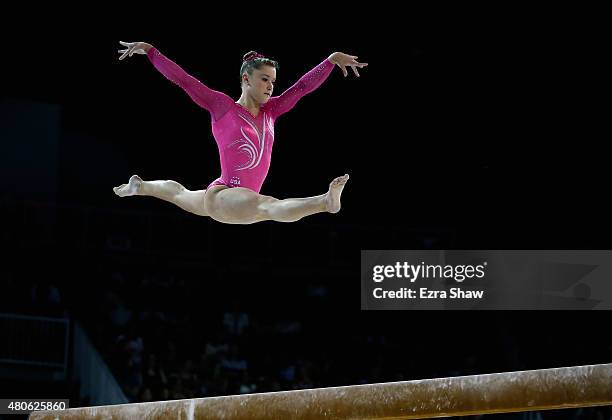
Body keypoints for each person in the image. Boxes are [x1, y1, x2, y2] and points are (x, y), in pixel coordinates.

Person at [114, 41, 367, 224]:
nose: (270, 86)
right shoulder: (222, 107)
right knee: (268, 206)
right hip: (224, 195)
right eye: (264, 79)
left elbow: (301, 87)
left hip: (234, 199)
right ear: (246, 79)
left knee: (178, 192)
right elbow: (184, 80)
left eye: (273, 81)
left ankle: (141, 186)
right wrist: (151, 51)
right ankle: (325, 202)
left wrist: (330, 61)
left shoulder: (272, 110)